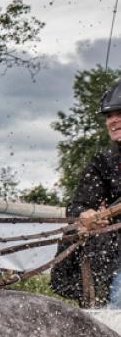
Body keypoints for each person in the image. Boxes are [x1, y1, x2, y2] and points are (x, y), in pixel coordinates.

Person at [50, 80, 121, 308]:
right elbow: (79, 204)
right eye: (109, 116)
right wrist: (86, 214)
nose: (113, 120)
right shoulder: (103, 162)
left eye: (120, 113)